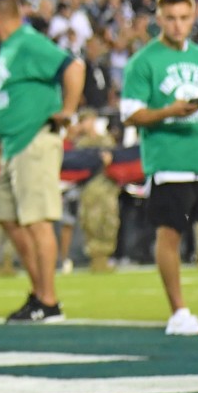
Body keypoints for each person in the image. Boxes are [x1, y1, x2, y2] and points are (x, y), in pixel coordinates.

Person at [0, 0, 85, 324]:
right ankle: (38, 293)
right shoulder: (9, 48)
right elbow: (10, 98)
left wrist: (68, 110)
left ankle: (50, 301)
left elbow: (73, 67)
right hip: (12, 144)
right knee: (10, 219)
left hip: (35, 140)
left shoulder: (28, 42)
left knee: (38, 220)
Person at [120, 0, 198, 336]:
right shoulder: (143, 62)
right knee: (169, 235)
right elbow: (131, 114)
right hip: (169, 163)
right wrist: (170, 111)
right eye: (170, 18)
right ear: (159, 19)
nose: (178, 25)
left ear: (193, 17)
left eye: (184, 18)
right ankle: (179, 312)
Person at [68, 110, 118, 274]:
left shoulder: (106, 140)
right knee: (90, 223)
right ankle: (96, 258)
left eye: (88, 120)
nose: (86, 124)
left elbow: (116, 161)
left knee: (109, 222)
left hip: (107, 187)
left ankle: (105, 257)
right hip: (89, 189)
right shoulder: (79, 143)